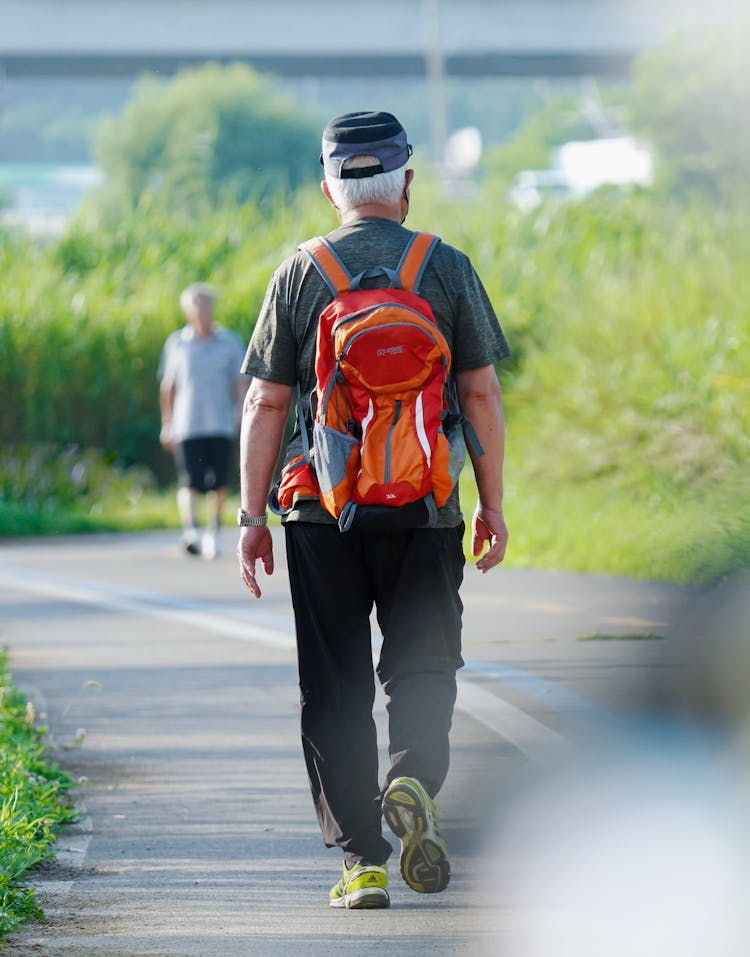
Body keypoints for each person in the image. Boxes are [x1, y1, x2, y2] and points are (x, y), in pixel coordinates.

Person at [237, 111, 510, 909]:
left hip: (322, 512)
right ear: (408, 183)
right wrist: (490, 503)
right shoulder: (445, 266)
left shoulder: (300, 271)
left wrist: (252, 516)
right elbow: (480, 392)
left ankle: (360, 859)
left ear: (329, 190)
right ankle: (413, 779)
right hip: (426, 506)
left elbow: (265, 401)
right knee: (423, 662)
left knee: (334, 681)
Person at [158, 282, 249, 559]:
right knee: (189, 480)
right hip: (188, 423)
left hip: (220, 421)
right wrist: (167, 422)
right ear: (187, 311)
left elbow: (241, 381)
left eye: (206, 304)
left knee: (220, 481)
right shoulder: (177, 343)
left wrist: (240, 412)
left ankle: (214, 531)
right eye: (197, 304)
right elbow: (168, 386)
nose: (202, 310)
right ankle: (191, 530)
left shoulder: (230, 342)